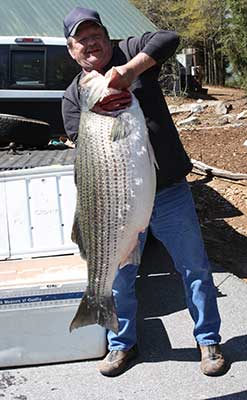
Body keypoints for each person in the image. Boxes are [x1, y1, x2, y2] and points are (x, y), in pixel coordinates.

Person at [62, 6, 228, 378]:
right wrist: (100, 105)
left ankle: (208, 340)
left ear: (107, 38)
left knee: (195, 269)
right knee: (119, 279)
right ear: (71, 50)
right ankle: (122, 344)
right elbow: (87, 156)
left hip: (168, 191)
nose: (92, 45)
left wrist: (128, 72)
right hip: (116, 205)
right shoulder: (74, 98)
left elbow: (169, 38)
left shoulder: (131, 50)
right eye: (82, 40)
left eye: (96, 36)